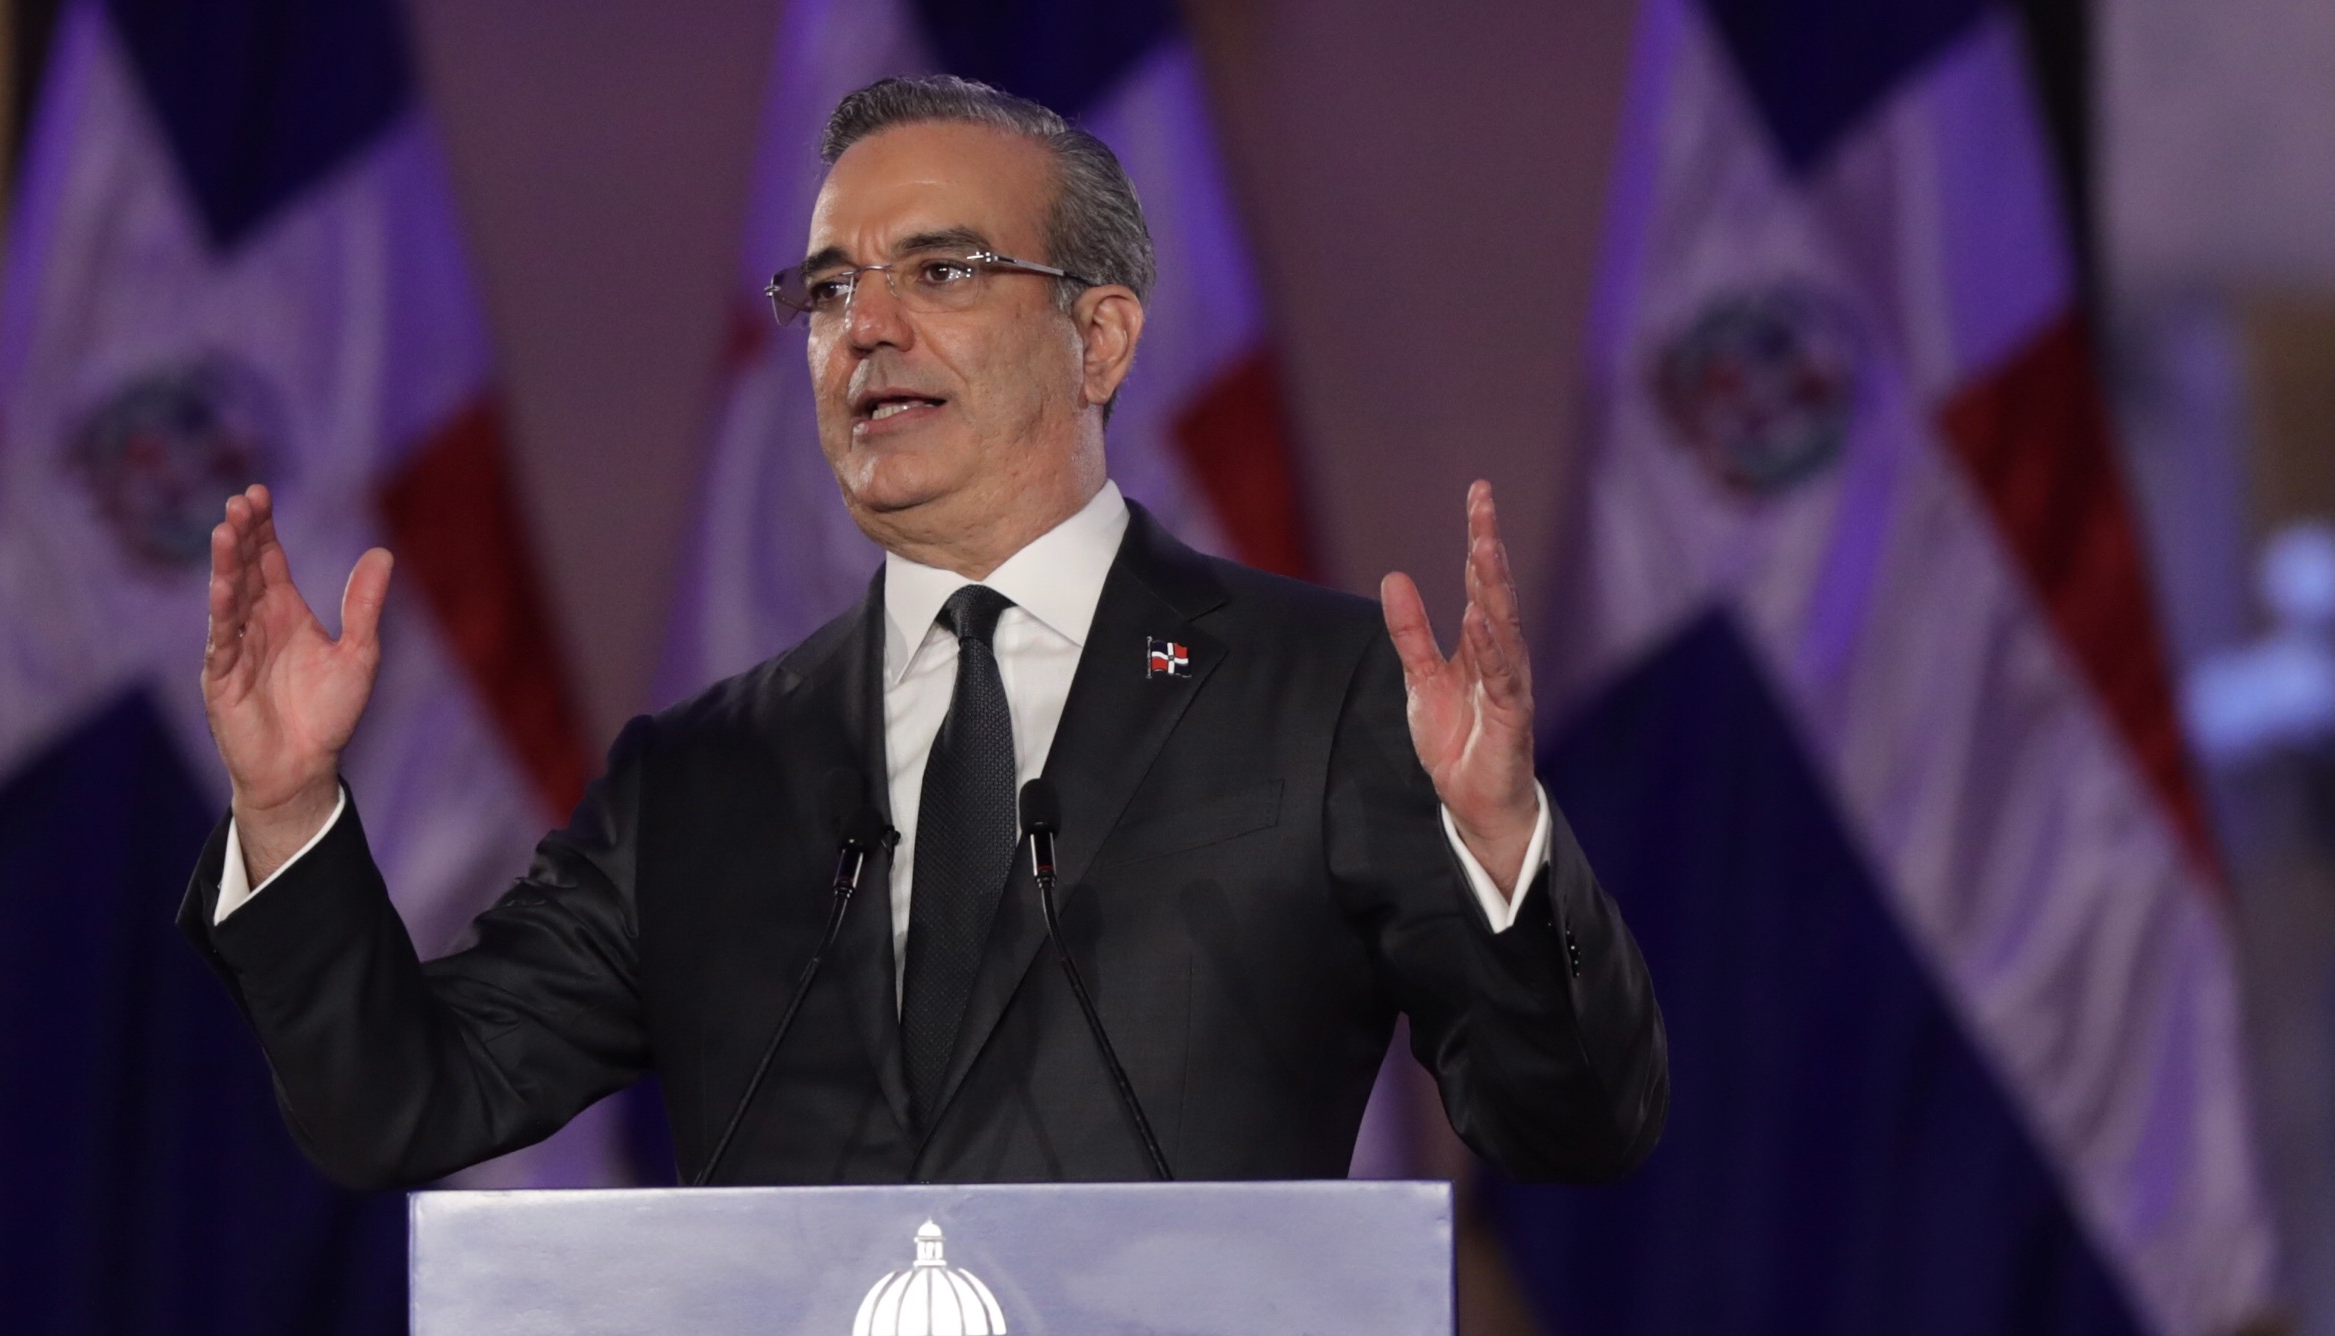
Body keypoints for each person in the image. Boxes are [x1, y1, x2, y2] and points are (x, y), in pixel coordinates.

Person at [178, 75, 1665, 1190]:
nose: (867, 328)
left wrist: (1501, 849)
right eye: (829, 289)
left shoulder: (1319, 693)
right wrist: (287, 804)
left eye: (940, 272)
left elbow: (1572, 1124)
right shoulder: (701, 776)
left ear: (1099, 339)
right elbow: (404, 1105)